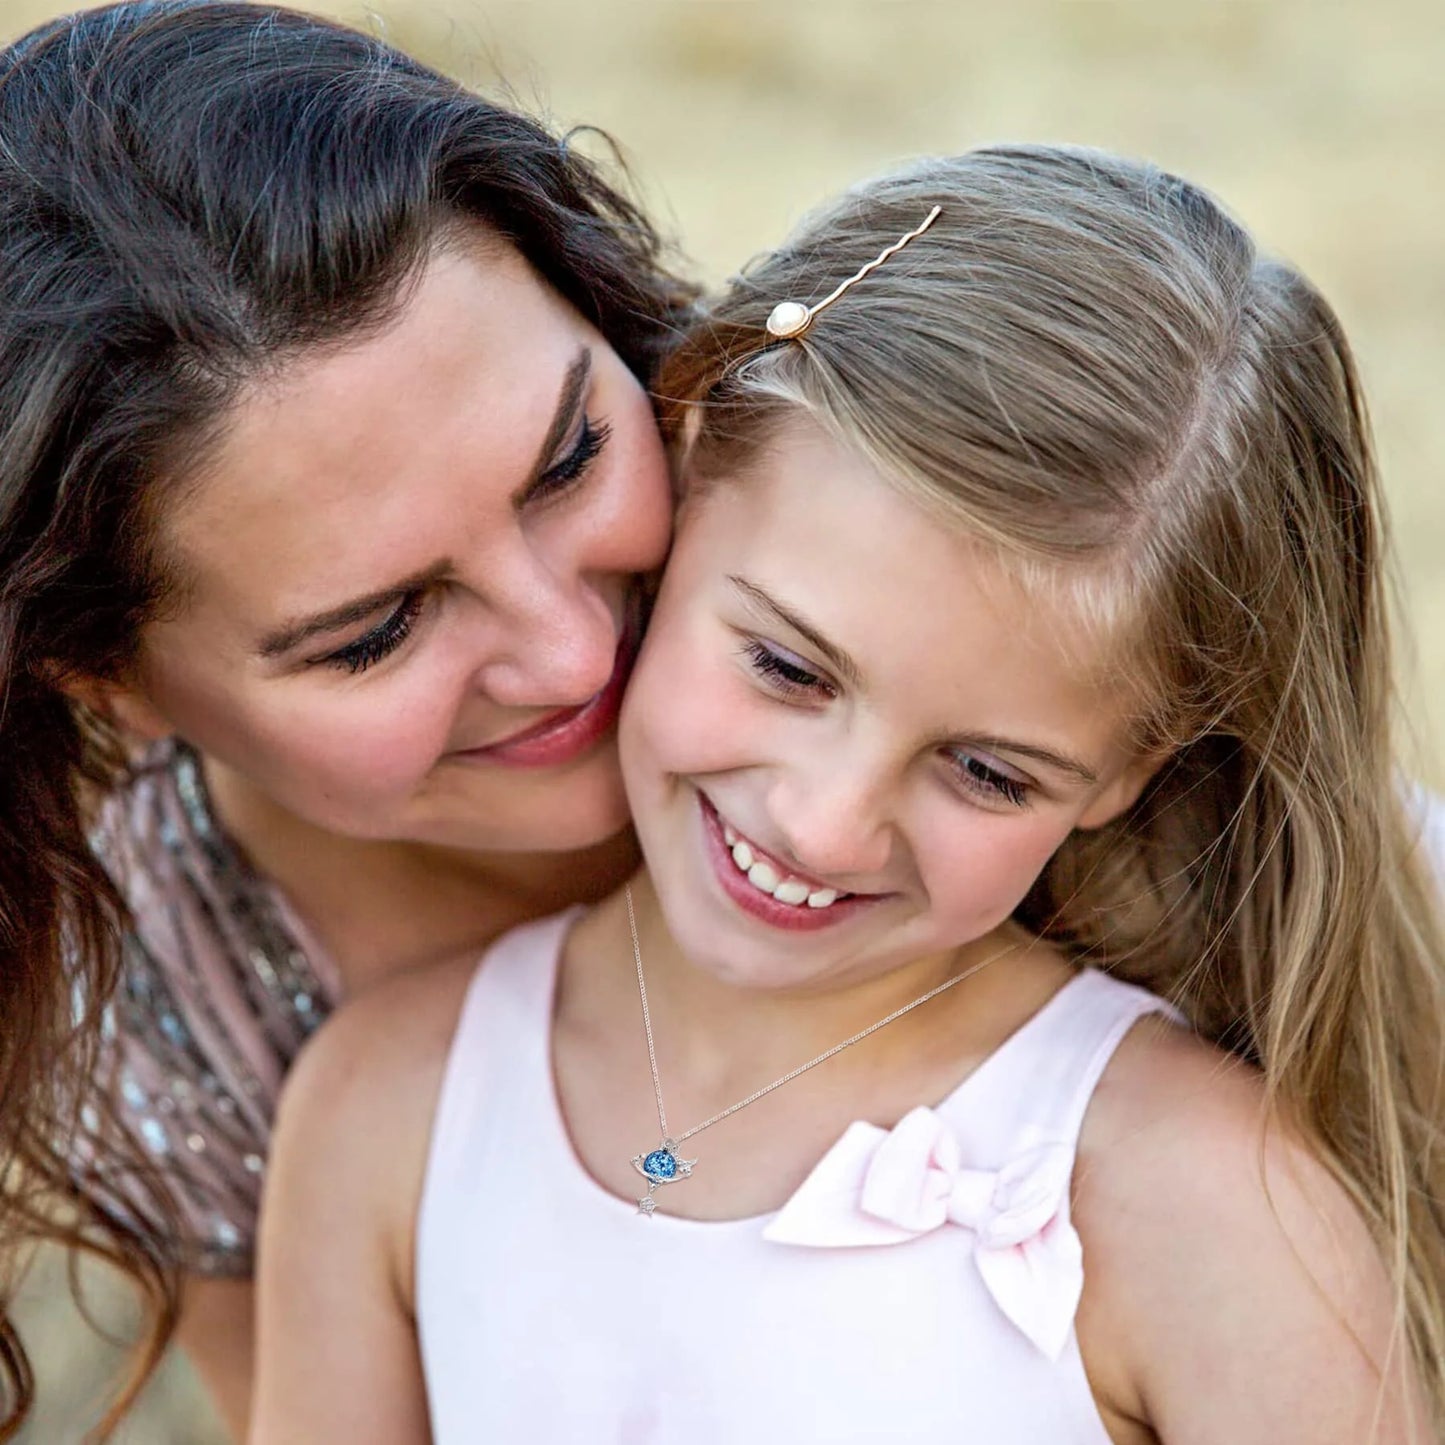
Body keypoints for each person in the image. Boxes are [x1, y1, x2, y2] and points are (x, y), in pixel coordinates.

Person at [251, 145, 1445, 1443]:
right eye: (785, 665)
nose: (824, 823)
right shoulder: (388, 1105)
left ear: (1132, 766)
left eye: (986, 770)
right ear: (688, 459)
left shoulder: (1203, 1202)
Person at [0, 1, 693, 1437]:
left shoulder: (922, 542)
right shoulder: (183, 1004)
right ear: (106, 681)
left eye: (569, 457)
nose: (569, 651)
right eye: (377, 629)